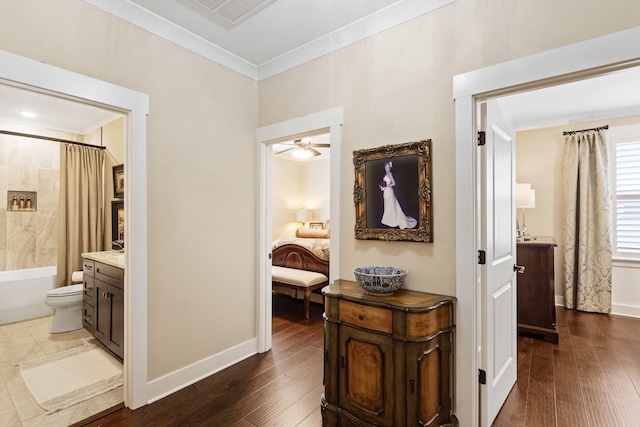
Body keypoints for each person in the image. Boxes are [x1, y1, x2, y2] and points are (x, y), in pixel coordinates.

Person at [380, 161, 417, 229]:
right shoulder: (386, 174)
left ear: (390, 168)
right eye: (386, 167)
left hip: (389, 191)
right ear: (384, 167)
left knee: (390, 205)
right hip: (386, 191)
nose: (387, 168)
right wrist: (382, 187)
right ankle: (389, 220)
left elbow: (394, 183)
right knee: (388, 205)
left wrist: (386, 186)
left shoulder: (390, 174)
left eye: (388, 167)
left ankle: (392, 221)